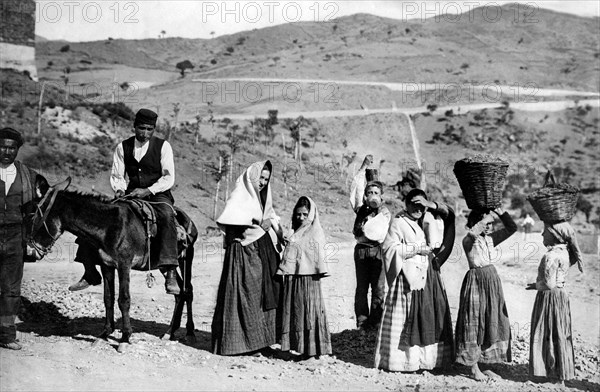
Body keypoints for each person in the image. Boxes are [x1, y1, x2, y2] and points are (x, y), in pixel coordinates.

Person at [69, 108, 180, 295]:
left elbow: (168, 178)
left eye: (149, 129)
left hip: (157, 195)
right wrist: (120, 189)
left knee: (167, 215)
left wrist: (148, 190)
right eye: (141, 128)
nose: (145, 133)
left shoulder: (163, 147)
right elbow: (117, 175)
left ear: (153, 129)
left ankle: (170, 271)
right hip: (130, 193)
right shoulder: (123, 147)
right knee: (99, 217)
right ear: (134, 126)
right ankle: (89, 270)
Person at [374, 188, 456, 372]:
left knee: (429, 313)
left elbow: (450, 212)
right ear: (407, 204)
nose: (418, 209)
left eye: (422, 205)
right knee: (407, 316)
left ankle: (429, 361)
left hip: (429, 275)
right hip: (407, 276)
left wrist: (431, 205)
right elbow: (388, 249)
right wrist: (416, 248)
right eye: (415, 204)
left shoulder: (430, 219)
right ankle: (404, 361)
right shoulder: (398, 222)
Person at [211, 160, 283, 356]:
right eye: (260, 177)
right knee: (245, 295)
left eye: (266, 179)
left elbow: (271, 218)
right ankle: (240, 344)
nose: (262, 183)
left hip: (263, 252)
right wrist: (260, 221)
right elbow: (232, 219)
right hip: (243, 254)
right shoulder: (240, 196)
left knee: (262, 296)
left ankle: (262, 342)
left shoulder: (263, 198)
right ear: (251, 176)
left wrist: (275, 227)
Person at [455, 207, 517, 380]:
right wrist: (483, 220)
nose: (488, 226)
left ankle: (485, 364)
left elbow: (512, 228)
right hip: (476, 280)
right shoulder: (468, 241)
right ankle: (473, 367)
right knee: (474, 320)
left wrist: (502, 213)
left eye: (491, 223)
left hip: (492, 281)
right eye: (485, 223)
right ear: (476, 223)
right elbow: (473, 234)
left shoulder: (490, 239)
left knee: (491, 319)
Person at [0, 127, 48, 350]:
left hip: (15, 236)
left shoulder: (28, 175)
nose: (6, 151)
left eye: (12, 147)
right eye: (2, 146)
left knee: (11, 288)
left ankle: (7, 335)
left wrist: (33, 240)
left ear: (17, 150)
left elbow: (37, 211)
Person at [528, 222, 583, 386]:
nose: (542, 235)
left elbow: (549, 284)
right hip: (561, 296)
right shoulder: (565, 252)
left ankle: (553, 375)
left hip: (549, 297)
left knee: (548, 332)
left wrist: (535, 285)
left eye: (545, 232)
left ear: (554, 235)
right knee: (559, 333)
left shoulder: (550, 256)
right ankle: (559, 374)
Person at [277, 196, 332, 359]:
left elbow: (314, 256)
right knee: (294, 311)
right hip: (293, 278)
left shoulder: (315, 232)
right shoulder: (295, 232)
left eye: (305, 214)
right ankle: (295, 346)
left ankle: (313, 350)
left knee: (309, 312)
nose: (301, 217)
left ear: (312, 215)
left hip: (308, 280)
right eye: (298, 214)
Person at [352, 180, 391, 330]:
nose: (373, 195)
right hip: (362, 249)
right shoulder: (361, 210)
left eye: (376, 193)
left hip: (377, 250)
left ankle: (376, 323)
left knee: (378, 288)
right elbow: (356, 231)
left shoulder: (384, 212)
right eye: (370, 193)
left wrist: (373, 216)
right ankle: (362, 323)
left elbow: (379, 230)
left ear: (381, 196)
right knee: (361, 288)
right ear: (365, 196)